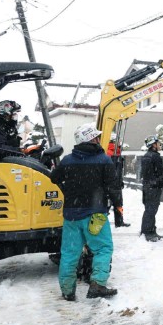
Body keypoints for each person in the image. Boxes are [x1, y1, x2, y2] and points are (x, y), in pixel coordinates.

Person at [50, 123, 122, 301]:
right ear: (92, 139)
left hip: (71, 216)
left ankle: (67, 291)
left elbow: (54, 178)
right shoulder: (104, 160)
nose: (98, 139)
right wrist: (119, 207)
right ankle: (97, 285)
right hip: (95, 216)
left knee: (69, 253)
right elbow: (113, 187)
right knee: (103, 248)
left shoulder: (67, 160)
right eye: (96, 136)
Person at [140, 135, 163, 242]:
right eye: (158, 143)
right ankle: (148, 232)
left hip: (147, 187)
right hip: (153, 187)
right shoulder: (155, 157)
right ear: (153, 145)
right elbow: (159, 175)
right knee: (151, 210)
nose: (159, 145)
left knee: (149, 209)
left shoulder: (146, 156)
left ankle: (151, 231)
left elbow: (144, 174)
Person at [105, 132, 129, 228]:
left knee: (110, 204)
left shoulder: (115, 153)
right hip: (113, 184)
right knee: (116, 204)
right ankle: (118, 222)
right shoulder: (111, 154)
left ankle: (117, 221)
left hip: (113, 183)